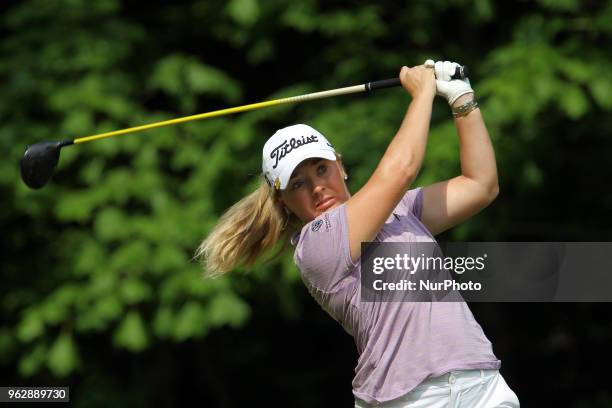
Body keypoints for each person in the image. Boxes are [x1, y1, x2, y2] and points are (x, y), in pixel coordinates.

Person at [196, 60, 520, 407]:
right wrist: (422, 93)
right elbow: (400, 170)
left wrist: (462, 99)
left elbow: (480, 185)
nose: (317, 187)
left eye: (322, 169)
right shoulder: (317, 245)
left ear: (341, 166)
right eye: (299, 184)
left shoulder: (402, 209)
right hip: (410, 399)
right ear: (284, 202)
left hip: (480, 385)